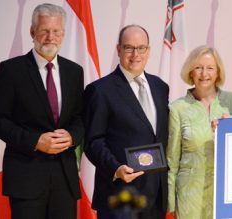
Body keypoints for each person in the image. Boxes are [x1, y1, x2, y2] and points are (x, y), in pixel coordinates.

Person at [0, 3, 83, 218]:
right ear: (32, 32)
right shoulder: (11, 70)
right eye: (44, 30)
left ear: (63, 34)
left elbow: (79, 117)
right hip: (25, 177)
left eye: (56, 31)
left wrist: (72, 136)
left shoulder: (74, 72)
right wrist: (35, 140)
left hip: (64, 177)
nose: (50, 37)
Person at [83, 24, 169, 219]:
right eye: (129, 47)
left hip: (156, 195)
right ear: (118, 49)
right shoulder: (100, 90)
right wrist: (115, 168)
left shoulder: (160, 87)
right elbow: (93, 141)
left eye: (141, 48)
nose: (135, 54)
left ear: (148, 51)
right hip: (119, 194)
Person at [167, 46, 232, 219]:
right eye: (198, 67)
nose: (204, 73)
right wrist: (169, 204)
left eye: (210, 68)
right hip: (190, 196)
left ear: (218, 72)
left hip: (227, 193)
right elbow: (172, 161)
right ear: (191, 72)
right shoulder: (177, 108)